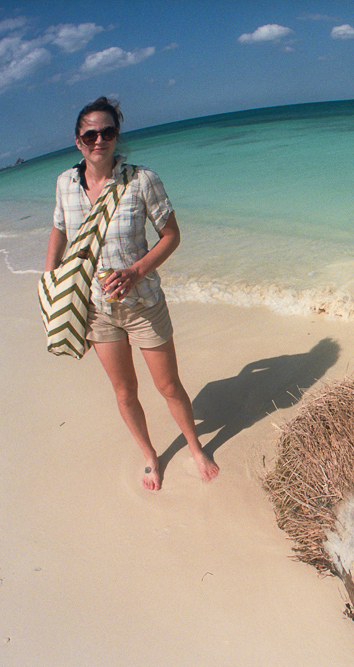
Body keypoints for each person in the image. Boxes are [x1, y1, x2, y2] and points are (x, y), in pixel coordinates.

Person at [44, 97, 220, 491]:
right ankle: (150, 456)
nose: (99, 140)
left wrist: (136, 270)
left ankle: (194, 447)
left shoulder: (141, 180)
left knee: (168, 385)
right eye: (90, 134)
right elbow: (58, 227)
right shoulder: (64, 185)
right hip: (95, 308)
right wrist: (50, 274)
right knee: (124, 392)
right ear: (78, 141)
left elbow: (171, 235)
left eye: (107, 131)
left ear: (116, 136)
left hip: (142, 303)